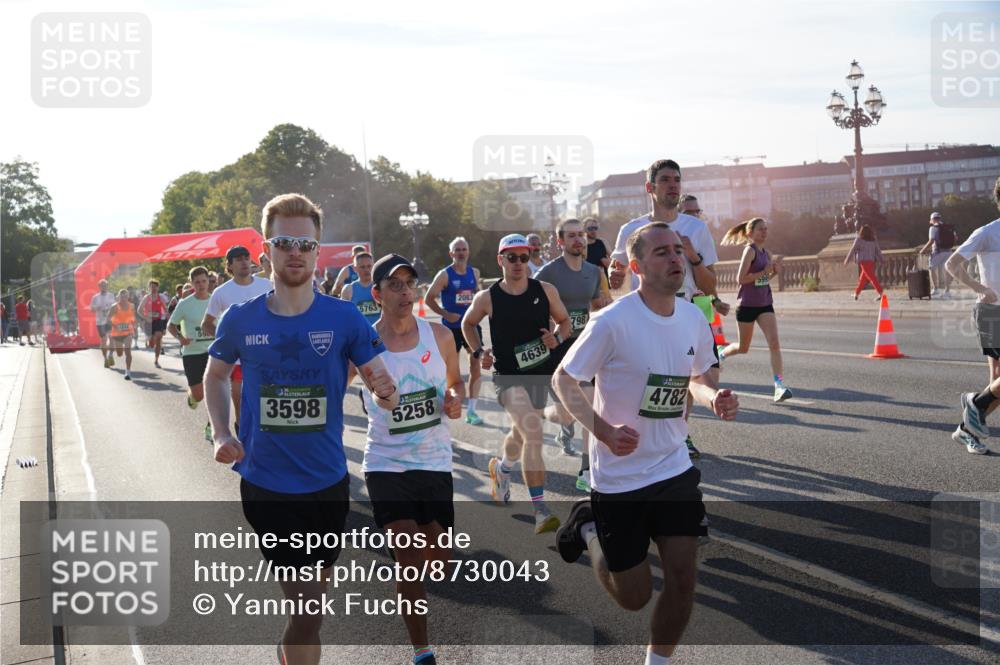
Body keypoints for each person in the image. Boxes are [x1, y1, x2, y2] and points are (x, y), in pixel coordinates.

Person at [205, 193, 397, 665]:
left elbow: (380, 382)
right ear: (265, 249)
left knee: (313, 605)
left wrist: (386, 392)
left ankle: (290, 652)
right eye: (284, 242)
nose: (296, 252)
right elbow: (214, 375)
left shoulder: (344, 317)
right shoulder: (240, 318)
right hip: (267, 483)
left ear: (317, 250)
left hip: (330, 482)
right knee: (309, 610)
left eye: (306, 245)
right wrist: (221, 433)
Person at [553, 222, 738, 665]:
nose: (675, 258)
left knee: (683, 578)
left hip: (673, 467)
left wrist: (713, 397)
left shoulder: (693, 317)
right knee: (633, 596)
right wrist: (603, 432)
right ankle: (588, 528)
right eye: (662, 253)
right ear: (636, 267)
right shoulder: (613, 322)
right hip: (619, 477)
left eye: (678, 250)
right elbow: (564, 379)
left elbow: (692, 379)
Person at [349, 254, 463, 665]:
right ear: (376, 294)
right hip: (385, 461)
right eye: (393, 285)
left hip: (433, 461)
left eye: (409, 283)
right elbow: (330, 386)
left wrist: (454, 400)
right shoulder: (360, 343)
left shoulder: (440, 336)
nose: (404, 291)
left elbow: (455, 383)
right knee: (409, 555)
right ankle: (422, 651)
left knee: (439, 563)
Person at [609, 160, 722, 457]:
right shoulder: (631, 229)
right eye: (666, 180)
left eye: (677, 180)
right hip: (643, 318)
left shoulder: (695, 229)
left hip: (685, 315)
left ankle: (678, 435)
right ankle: (647, 439)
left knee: (685, 380)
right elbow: (618, 268)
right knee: (650, 384)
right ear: (651, 187)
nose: (673, 185)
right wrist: (616, 274)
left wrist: (692, 256)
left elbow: (710, 286)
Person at [462, 234, 572, 534]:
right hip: (507, 376)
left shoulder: (545, 290)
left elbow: (565, 322)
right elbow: (467, 324)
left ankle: (502, 468)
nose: (519, 263)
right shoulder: (487, 297)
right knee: (533, 431)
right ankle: (539, 510)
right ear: (501, 260)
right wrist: (479, 351)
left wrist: (557, 338)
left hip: (541, 374)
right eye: (512, 257)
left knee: (524, 432)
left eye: (524, 257)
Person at [535, 219, 606, 492]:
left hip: (584, 346)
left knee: (589, 403)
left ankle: (586, 470)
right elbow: (531, 305)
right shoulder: (547, 273)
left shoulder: (593, 271)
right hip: (558, 347)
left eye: (581, 235)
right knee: (567, 415)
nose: (579, 240)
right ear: (561, 241)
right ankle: (543, 413)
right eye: (572, 236)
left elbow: (596, 306)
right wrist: (548, 334)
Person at [944, 176, 1000, 455]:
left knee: (997, 383)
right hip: (992, 312)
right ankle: (974, 405)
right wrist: (981, 288)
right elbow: (952, 264)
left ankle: (966, 429)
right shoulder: (987, 232)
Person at [717, 218, 792, 403]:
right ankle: (721, 353)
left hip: (765, 304)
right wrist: (764, 271)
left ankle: (779, 386)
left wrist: (774, 270)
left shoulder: (767, 253)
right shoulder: (749, 251)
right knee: (743, 348)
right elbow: (741, 279)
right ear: (750, 233)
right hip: (747, 305)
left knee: (774, 344)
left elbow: (764, 279)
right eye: (760, 229)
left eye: (766, 229)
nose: (764, 232)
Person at [202, 245, 273, 440]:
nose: (244, 262)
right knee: (240, 399)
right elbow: (206, 323)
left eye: (246, 257)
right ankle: (244, 438)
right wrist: (225, 342)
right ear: (230, 265)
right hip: (238, 359)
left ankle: (267, 438)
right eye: (238, 259)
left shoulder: (266, 286)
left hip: (267, 355)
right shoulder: (221, 292)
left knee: (268, 399)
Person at [424, 236, 485, 425]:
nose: (461, 253)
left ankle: (472, 411)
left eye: (463, 249)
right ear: (451, 253)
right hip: (450, 329)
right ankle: (442, 407)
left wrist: (481, 312)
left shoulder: (474, 273)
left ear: (468, 252)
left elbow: (478, 297)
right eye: (457, 250)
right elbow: (429, 298)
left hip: (471, 327)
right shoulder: (445, 275)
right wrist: (445, 313)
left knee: (476, 364)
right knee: (446, 370)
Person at [168, 266, 215, 441]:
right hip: (192, 353)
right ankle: (192, 396)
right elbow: (171, 326)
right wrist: (180, 337)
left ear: (208, 281)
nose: (201, 285)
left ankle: (211, 426)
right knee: (199, 395)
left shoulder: (215, 301)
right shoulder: (184, 304)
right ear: (192, 284)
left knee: (213, 391)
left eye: (204, 281)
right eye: (197, 282)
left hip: (212, 352)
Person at [920, 211, 957, 298]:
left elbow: (931, 241)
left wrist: (922, 250)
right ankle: (947, 291)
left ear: (932, 219)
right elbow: (955, 238)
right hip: (948, 251)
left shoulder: (933, 228)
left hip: (937, 252)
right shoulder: (948, 227)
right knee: (947, 271)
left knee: (932, 268)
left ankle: (936, 289)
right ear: (939, 218)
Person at [844, 224, 884, 300]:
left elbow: (852, 250)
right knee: (863, 279)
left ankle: (880, 292)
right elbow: (878, 251)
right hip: (871, 261)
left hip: (864, 262)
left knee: (871, 278)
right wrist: (882, 260)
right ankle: (856, 294)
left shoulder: (859, 240)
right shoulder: (873, 240)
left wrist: (847, 259)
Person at [340, 252, 380, 325]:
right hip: (358, 334)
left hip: (379, 334)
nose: (366, 270)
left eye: (369, 266)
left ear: (373, 266)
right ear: (355, 269)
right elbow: (343, 316)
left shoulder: (380, 286)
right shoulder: (348, 289)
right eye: (362, 267)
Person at [138, 279, 170, 368]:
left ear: (158, 288)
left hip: (158, 321)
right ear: (148, 288)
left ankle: (156, 360)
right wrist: (146, 318)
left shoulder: (160, 298)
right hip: (148, 322)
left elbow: (166, 310)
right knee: (151, 344)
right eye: (151, 287)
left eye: (155, 287)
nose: (153, 288)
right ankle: (150, 341)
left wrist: (169, 321)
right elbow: (139, 310)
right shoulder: (146, 298)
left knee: (159, 339)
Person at [108, 289, 137, 380]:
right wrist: (115, 326)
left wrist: (134, 325)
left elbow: (133, 317)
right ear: (119, 297)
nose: (123, 298)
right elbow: (108, 319)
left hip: (128, 332)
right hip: (117, 333)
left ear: (128, 297)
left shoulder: (132, 306)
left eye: (125, 296)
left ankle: (127, 372)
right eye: (122, 296)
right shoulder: (114, 307)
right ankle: (110, 354)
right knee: (120, 353)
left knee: (128, 351)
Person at [90, 280, 116, 366]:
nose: (104, 287)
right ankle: (105, 359)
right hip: (100, 322)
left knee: (112, 339)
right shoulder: (95, 297)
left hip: (110, 321)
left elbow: (115, 308)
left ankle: (111, 355)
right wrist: (97, 308)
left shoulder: (111, 296)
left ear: (107, 286)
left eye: (105, 285)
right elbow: (91, 309)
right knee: (104, 340)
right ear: (99, 287)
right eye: (102, 285)